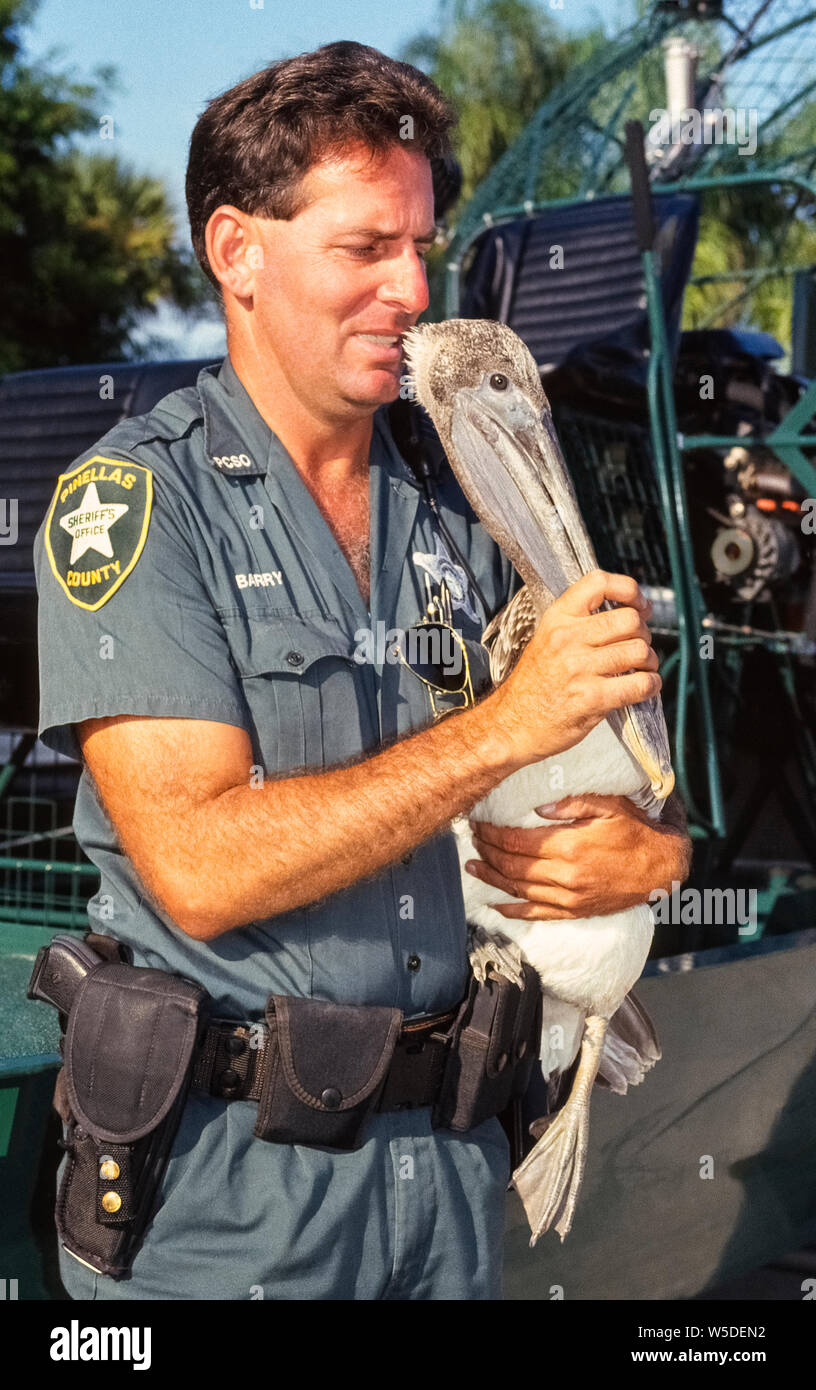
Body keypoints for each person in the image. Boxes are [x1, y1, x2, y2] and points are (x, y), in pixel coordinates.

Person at [33, 41, 691, 1301]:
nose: (411, 288)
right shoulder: (135, 506)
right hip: (222, 1214)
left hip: (446, 1186)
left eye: (423, 248)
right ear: (238, 252)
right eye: (363, 249)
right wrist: (507, 726)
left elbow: (635, 801)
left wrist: (652, 852)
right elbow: (203, 867)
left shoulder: (466, 506)